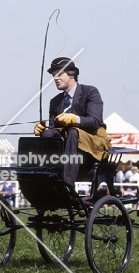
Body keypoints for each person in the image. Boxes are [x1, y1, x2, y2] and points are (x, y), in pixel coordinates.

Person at [34, 57, 111, 185]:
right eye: (53, 75)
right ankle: (47, 178)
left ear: (71, 74)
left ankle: (67, 184)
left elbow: (95, 121)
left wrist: (75, 119)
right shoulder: (55, 101)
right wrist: (43, 129)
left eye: (59, 74)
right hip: (68, 145)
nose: (55, 78)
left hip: (92, 142)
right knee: (47, 135)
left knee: (74, 132)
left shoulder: (90, 92)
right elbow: (53, 130)